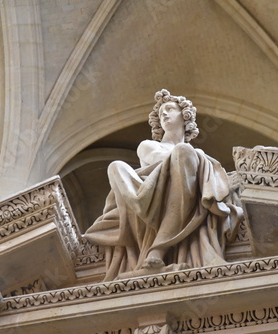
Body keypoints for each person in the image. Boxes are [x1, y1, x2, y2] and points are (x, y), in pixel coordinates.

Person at [84, 89, 243, 281]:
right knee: (116, 166)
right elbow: (163, 161)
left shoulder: (190, 154)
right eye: (161, 113)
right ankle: (155, 248)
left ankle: (157, 251)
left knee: (185, 153)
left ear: (185, 117)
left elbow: (181, 160)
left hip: (183, 193)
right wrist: (201, 160)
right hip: (148, 196)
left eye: (169, 109)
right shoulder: (149, 145)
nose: (164, 114)